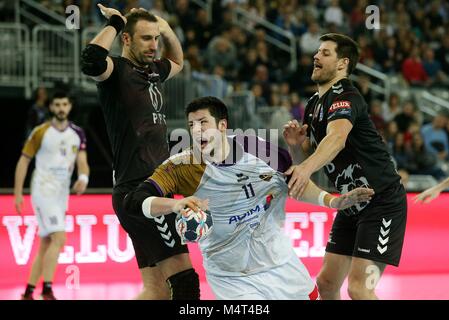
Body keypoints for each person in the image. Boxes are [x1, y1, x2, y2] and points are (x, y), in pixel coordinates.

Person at [123, 96, 374, 300]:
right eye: (191, 125)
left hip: (278, 261)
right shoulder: (181, 166)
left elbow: (294, 181)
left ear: (222, 125)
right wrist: (174, 204)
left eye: (203, 123)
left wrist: (332, 201)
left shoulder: (257, 149)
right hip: (231, 275)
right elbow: (135, 201)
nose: (197, 130)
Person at [80, 4, 197, 299]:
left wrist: (164, 26)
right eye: (146, 38)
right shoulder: (116, 73)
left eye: (156, 38)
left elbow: (178, 61)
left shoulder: (153, 72)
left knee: (157, 291)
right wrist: (118, 22)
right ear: (127, 40)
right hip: (140, 191)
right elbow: (91, 60)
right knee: (185, 284)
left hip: (152, 189)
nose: (154, 45)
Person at [284, 33, 407, 300]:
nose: (316, 56)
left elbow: (337, 139)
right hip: (352, 203)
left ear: (342, 64)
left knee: (359, 289)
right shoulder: (313, 104)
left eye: (325, 53)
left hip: (382, 201)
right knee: (327, 283)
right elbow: (312, 156)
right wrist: (296, 147)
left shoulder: (346, 96)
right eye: (317, 52)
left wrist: (304, 168)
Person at [14, 92, 90, 300]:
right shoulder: (41, 132)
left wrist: (83, 177)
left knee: (46, 244)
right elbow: (23, 162)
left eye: (64, 104)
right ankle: (47, 290)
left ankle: (28, 292)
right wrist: (18, 193)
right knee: (59, 237)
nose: (61, 108)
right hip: (42, 191)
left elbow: (82, 161)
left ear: (70, 107)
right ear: (51, 108)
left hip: (61, 195)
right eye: (57, 105)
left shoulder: (77, 133)